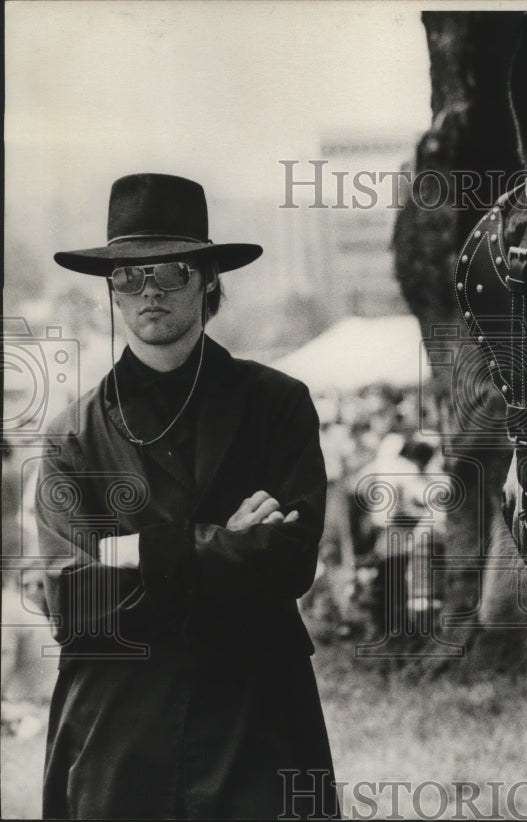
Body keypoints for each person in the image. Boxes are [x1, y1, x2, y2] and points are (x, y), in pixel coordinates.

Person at [37, 173, 338, 819]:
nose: (148, 290)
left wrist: (130, 554)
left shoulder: (276, 405)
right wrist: (225, 545)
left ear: (207, 280)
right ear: (111, 291)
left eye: (170, 271)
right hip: (117, 728)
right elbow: (72, 600)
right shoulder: (72, 434)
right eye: (127, 275)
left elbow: (290, 562)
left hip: (255, 717)